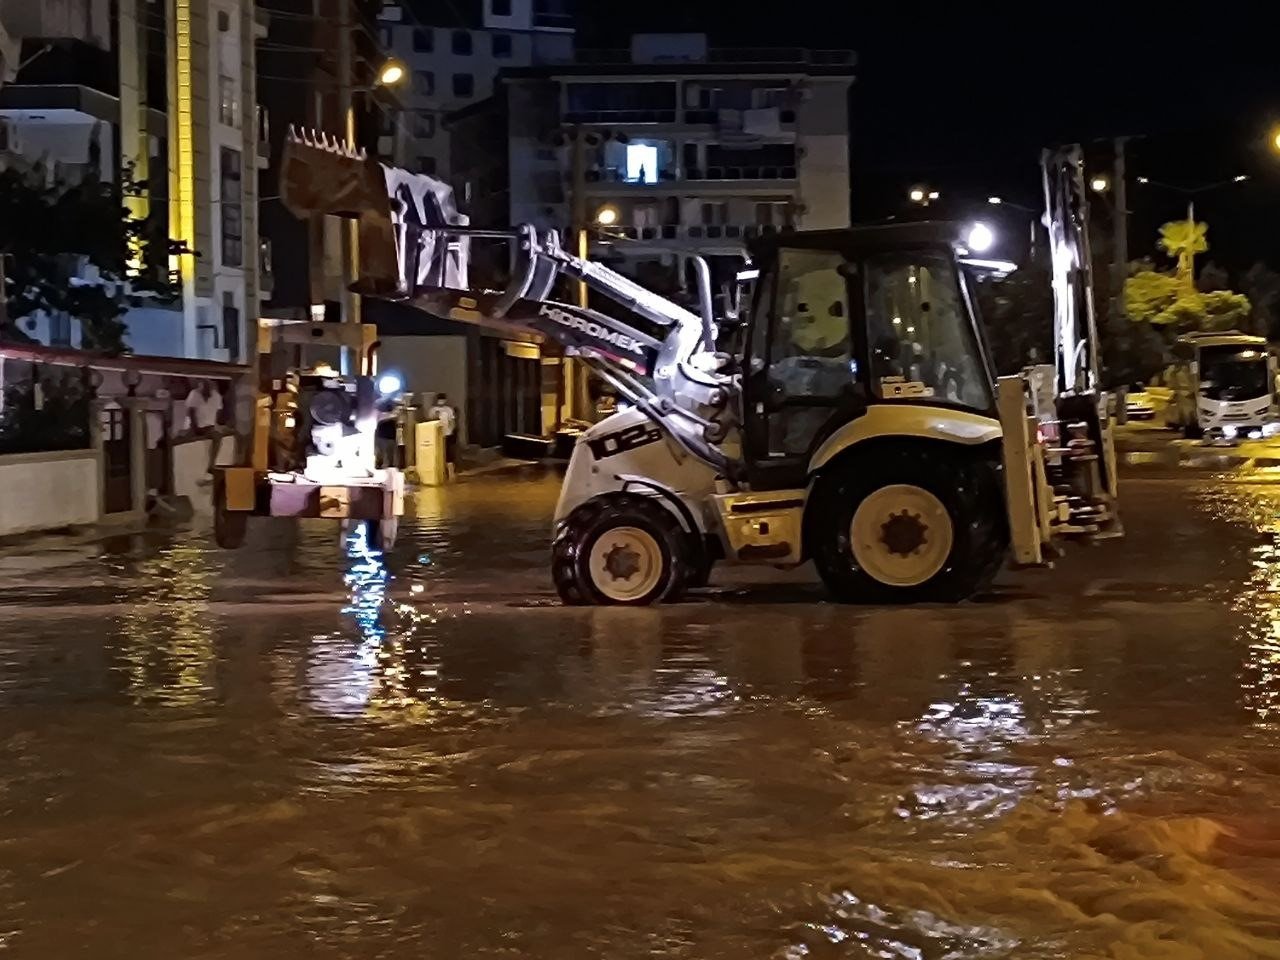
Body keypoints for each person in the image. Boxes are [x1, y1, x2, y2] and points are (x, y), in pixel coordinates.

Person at [184, 379, 224, 473]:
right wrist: (195, 428)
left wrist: (216, 424)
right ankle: (212, 465)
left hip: (210, 426)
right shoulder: (194, 394)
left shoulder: (216, 396)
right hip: (199, 427)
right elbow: (191, 412)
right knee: (217, 436)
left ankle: (212, 464)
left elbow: (218, 412)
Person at [429, 392, 458, 480]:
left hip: (447, 434)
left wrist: (451, 430)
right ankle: (438, 473)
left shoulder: (449, 410)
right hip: (436, 436)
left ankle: (451, 473)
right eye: (439, 400)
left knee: (448, 453)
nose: (441, 402)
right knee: (437, 454)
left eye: (442, 400)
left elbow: (452, 422)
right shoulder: (433, 410)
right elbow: (430, 421)